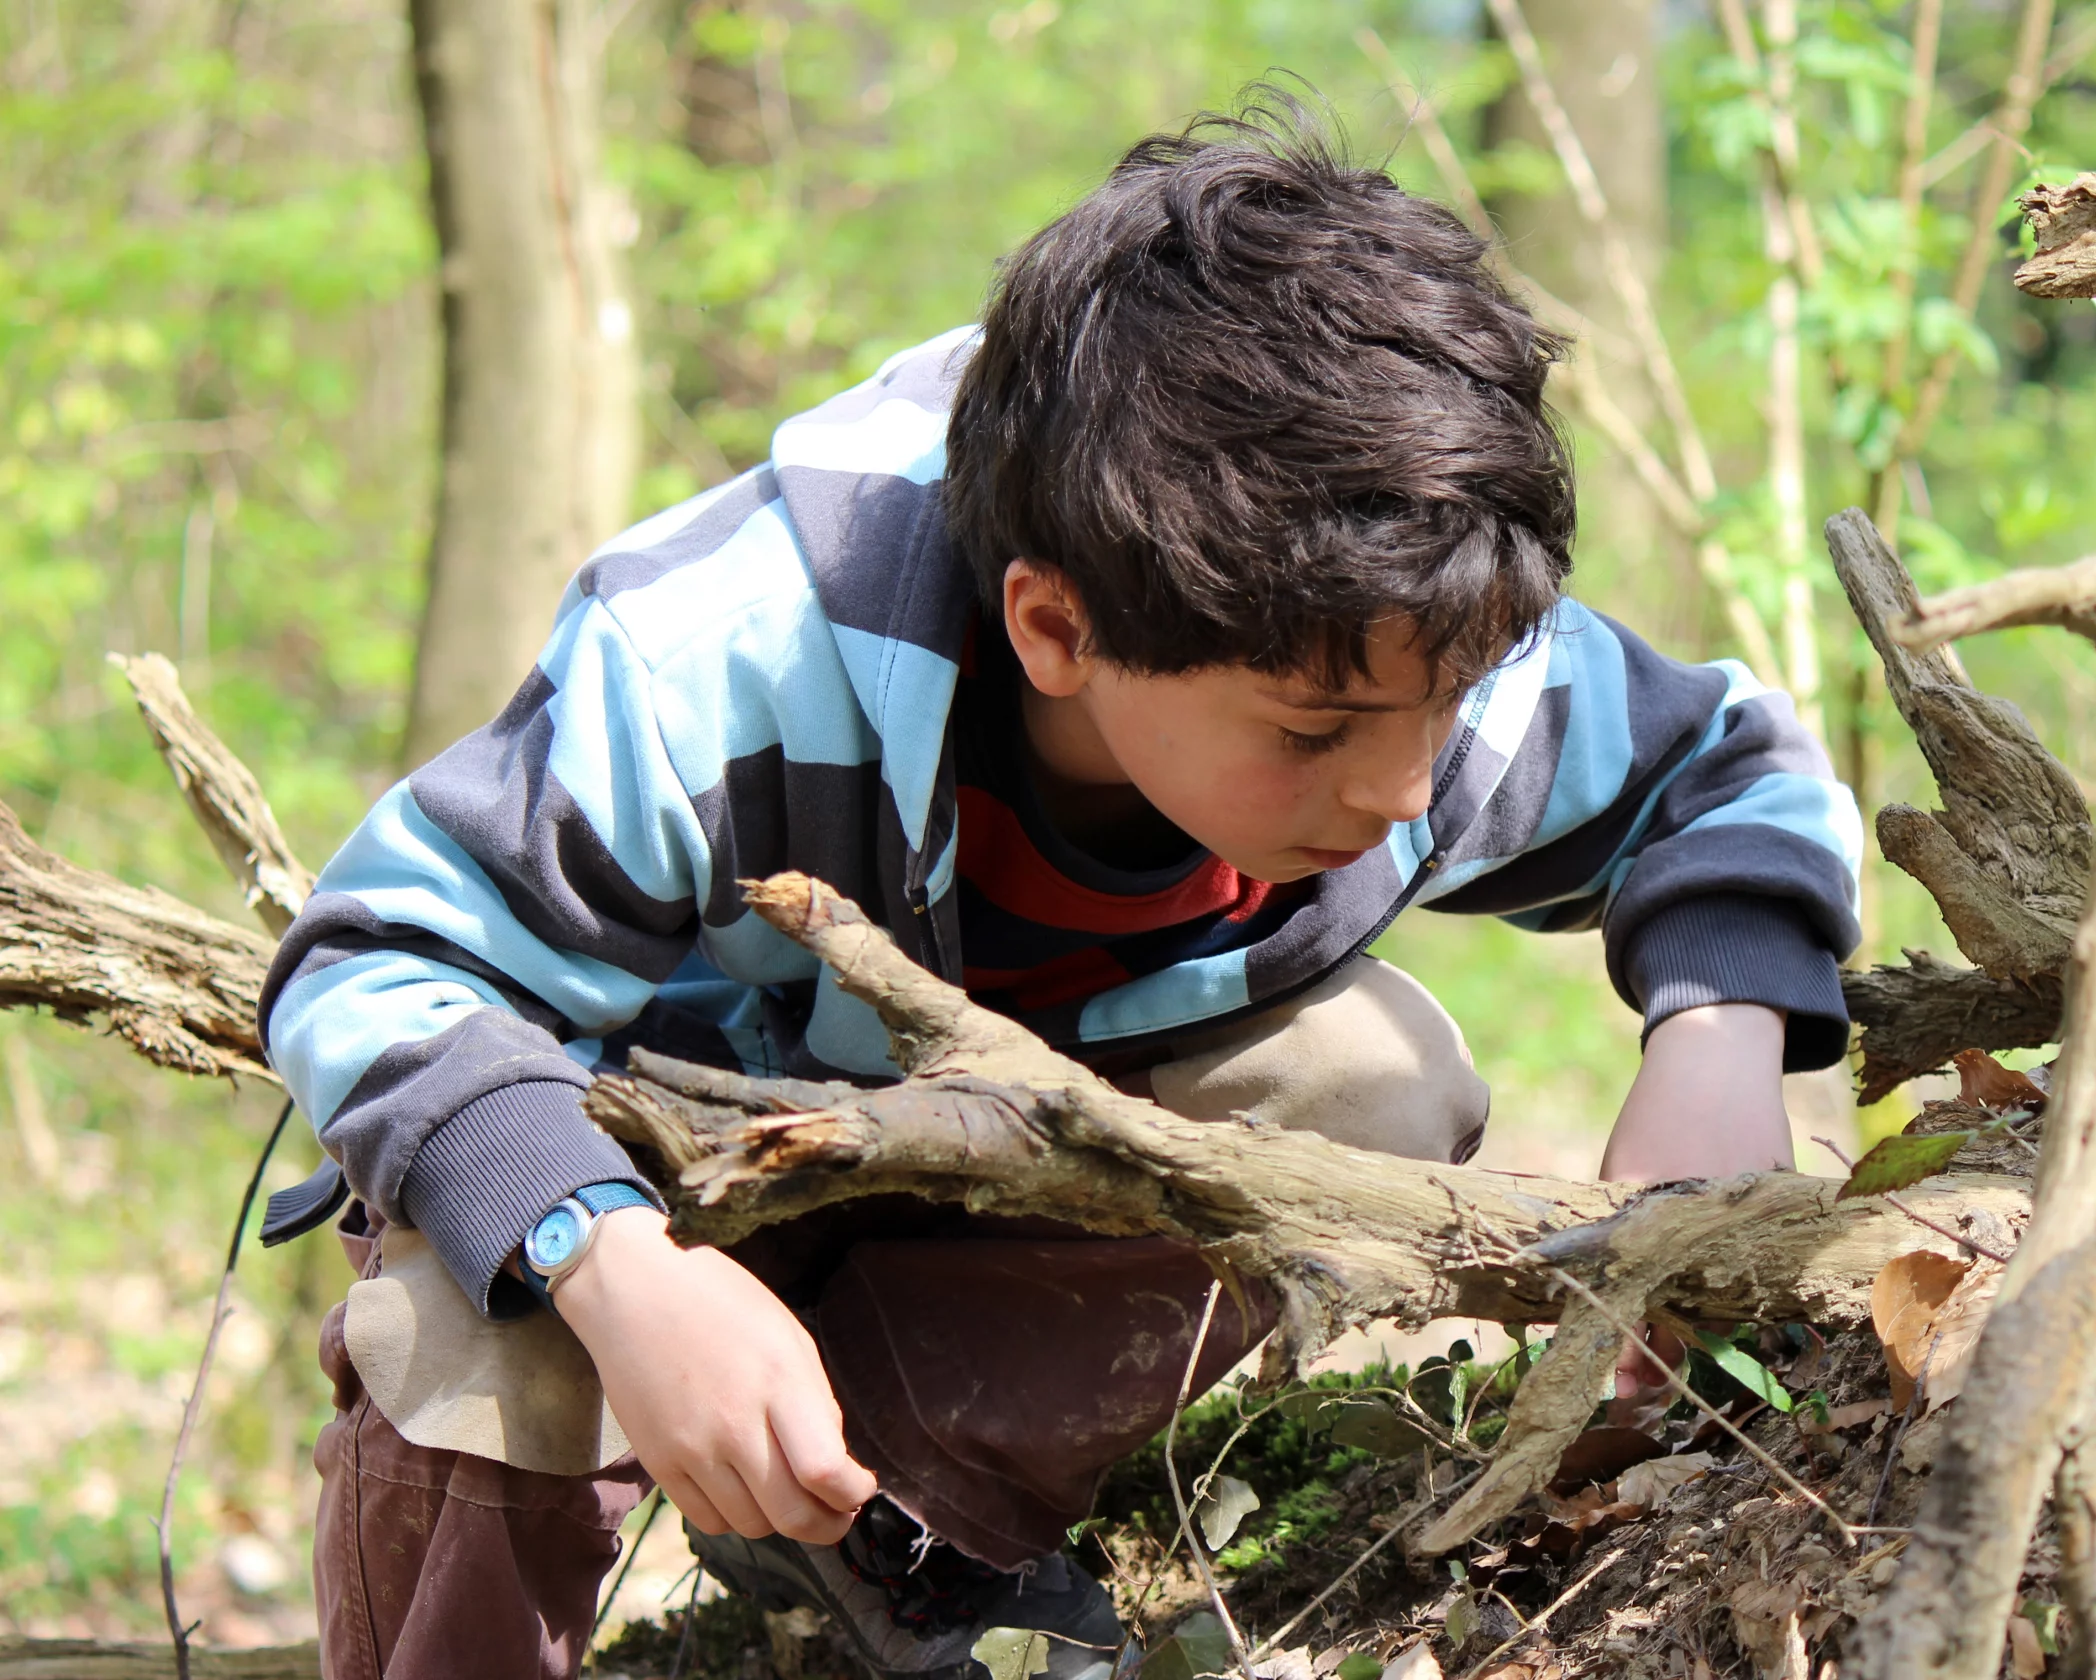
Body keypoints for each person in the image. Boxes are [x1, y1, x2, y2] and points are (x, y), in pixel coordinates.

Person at [260, 93, 1861, 1680]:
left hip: (1014, 1169)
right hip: (654, 1157)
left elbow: (1730, 767)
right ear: (1056, 629)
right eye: (1313, 734)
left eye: (1442, 714)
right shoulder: (722, 664)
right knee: (470, 1338)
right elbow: (379, 962)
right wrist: (620, 1274)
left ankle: (894, 1536)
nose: (1397, 791)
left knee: (1379, 1077)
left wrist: (1716, 1038)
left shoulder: (1409, 633)